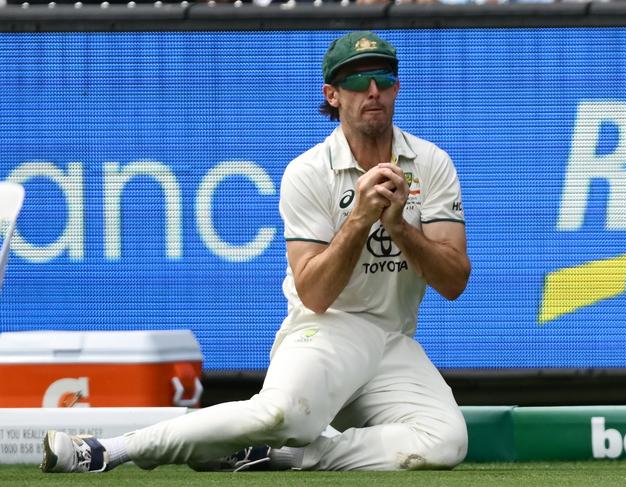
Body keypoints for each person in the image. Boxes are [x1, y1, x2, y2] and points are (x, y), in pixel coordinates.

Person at [40, 30, 470, 474]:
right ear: (333, 95)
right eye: (357, 82)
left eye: (382, 77)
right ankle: (111, 449)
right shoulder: (307, 172)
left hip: (393, 340)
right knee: (281, 416)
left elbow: (454, 280)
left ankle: (289, 455)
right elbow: (316, 295)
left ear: (397, 86)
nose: (372, 91)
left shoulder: (431, 163)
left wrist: (398, 225)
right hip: (326, 331)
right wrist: (361, 218)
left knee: (446, 441)